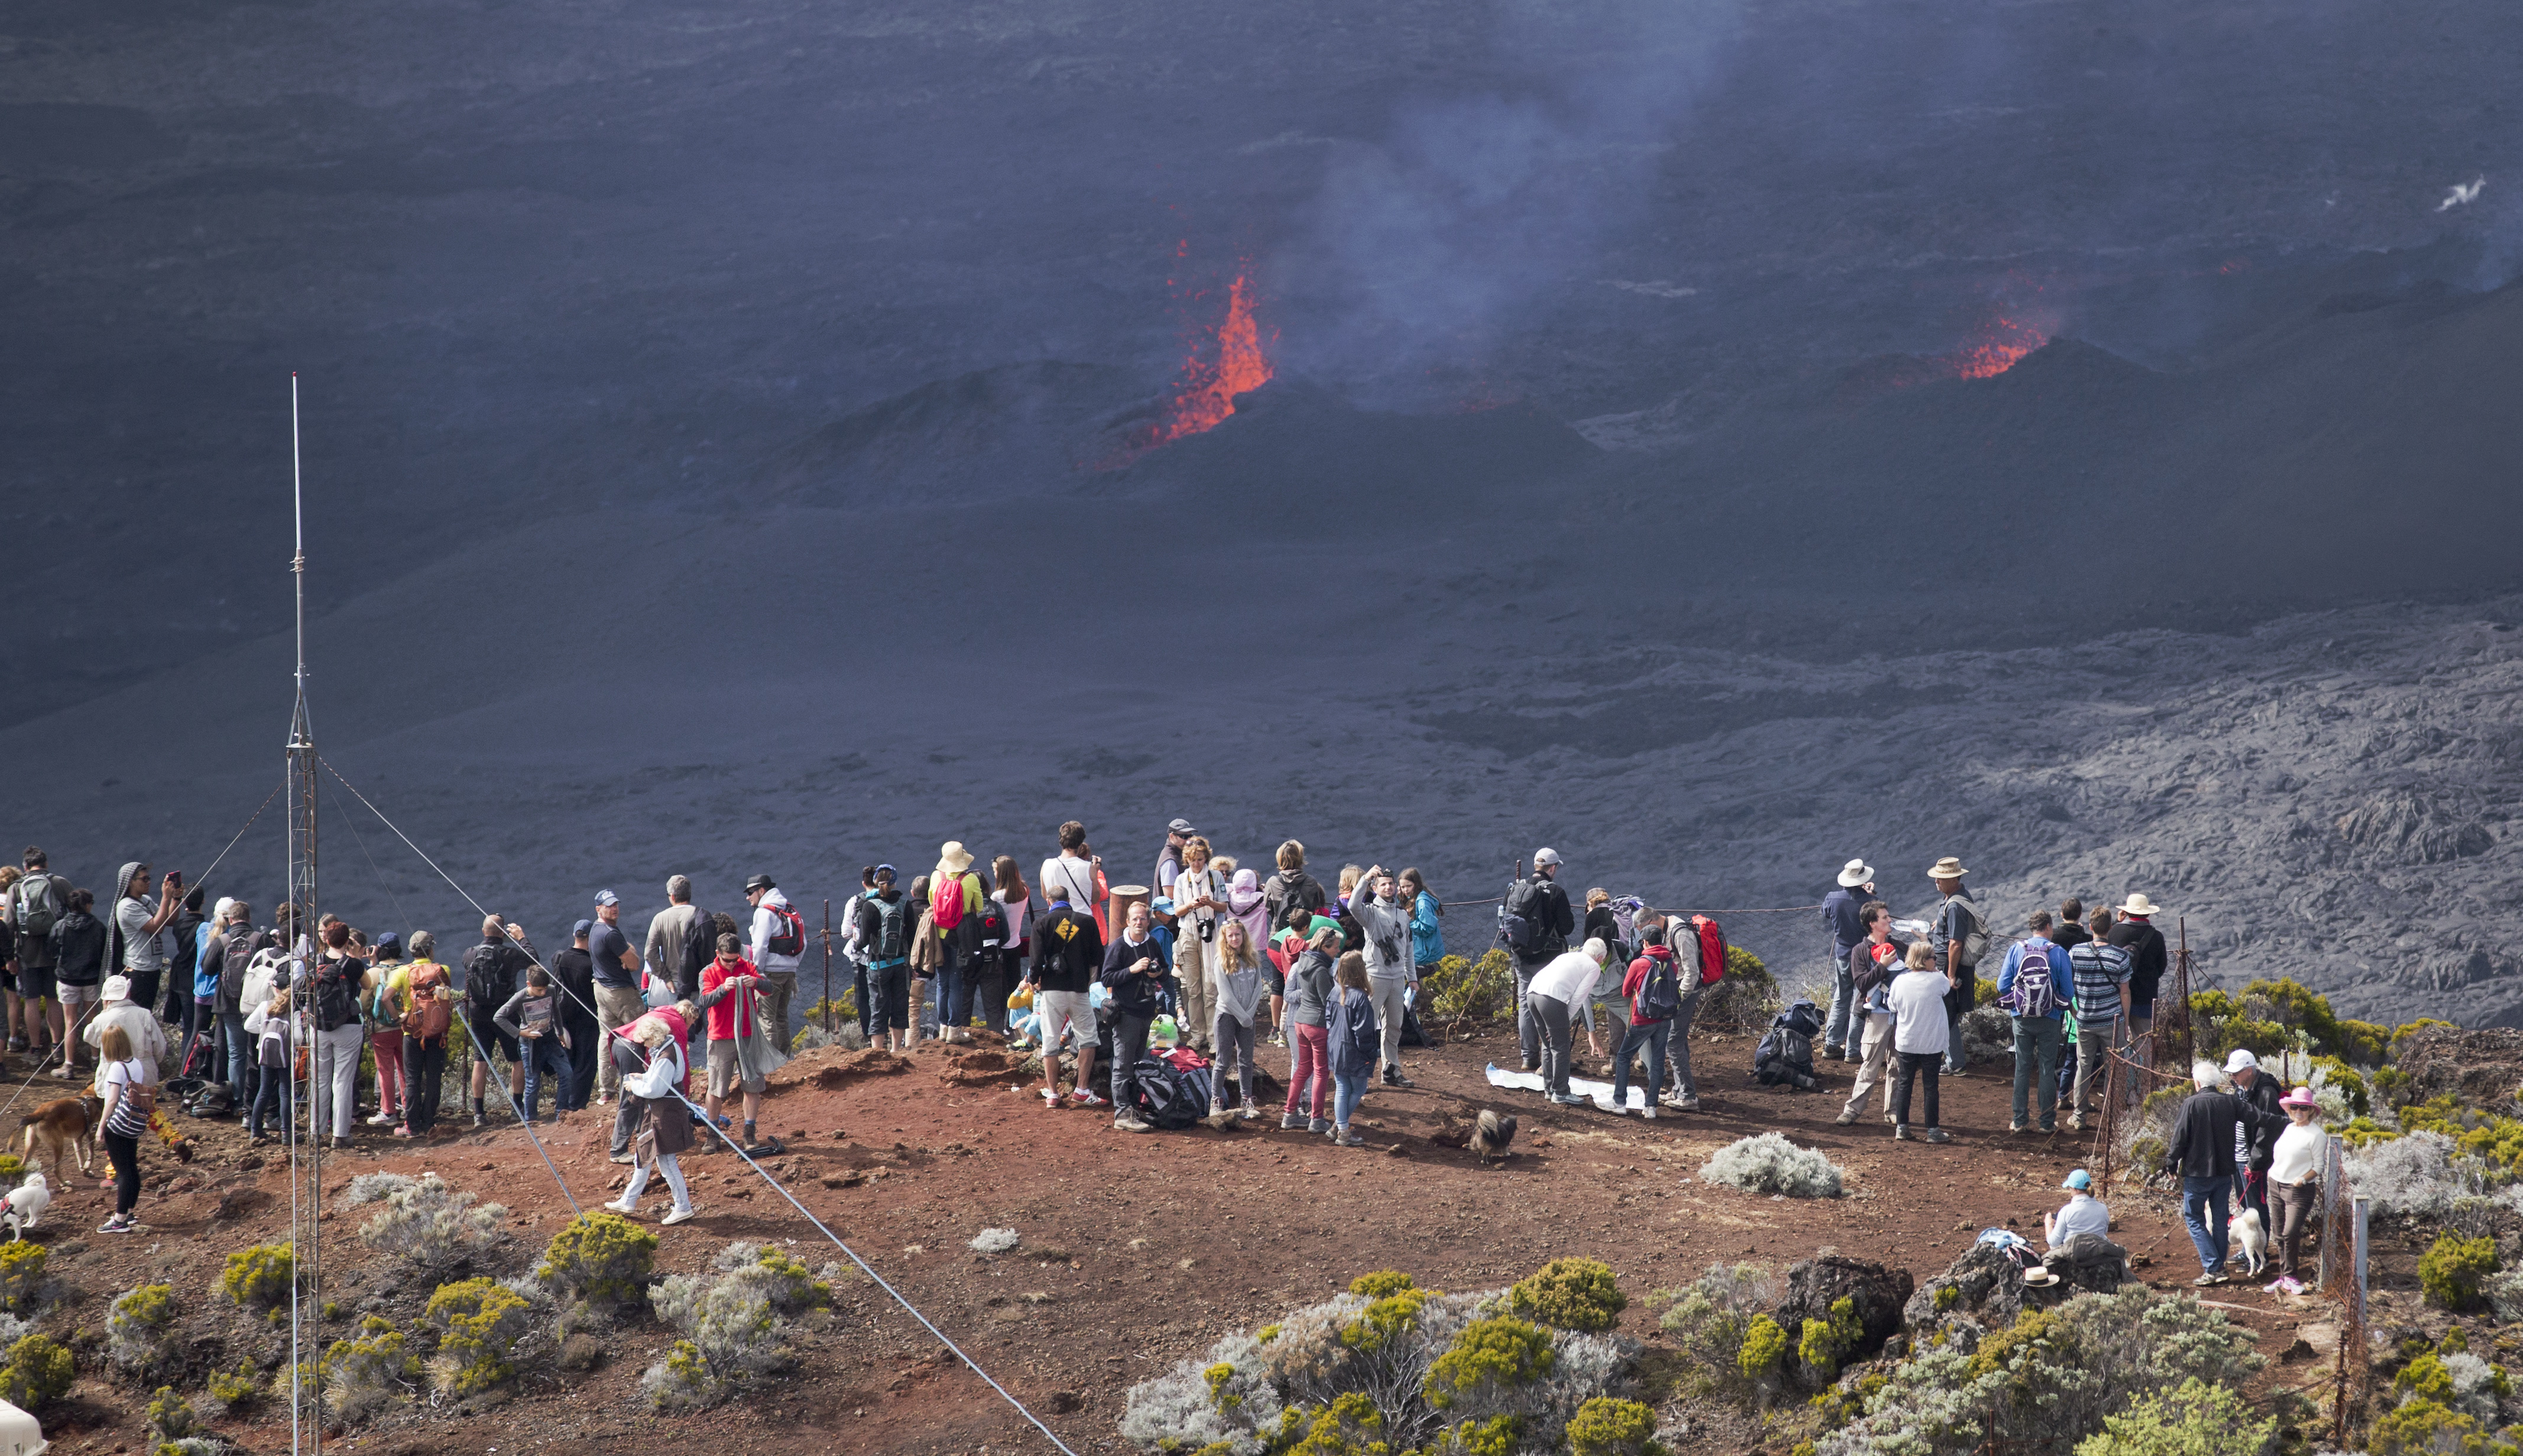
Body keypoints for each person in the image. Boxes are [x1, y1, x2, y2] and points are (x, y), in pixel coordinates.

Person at [2163, 1059, 2285, 1286]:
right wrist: (2288, 1120)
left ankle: (2214, 1267)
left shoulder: (2191, 1104)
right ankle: (2218, 1266)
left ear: (2197, 1083)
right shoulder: (2231, 1102)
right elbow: (2261, 1118)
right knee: (2220, 1220)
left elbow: (2179, 1138)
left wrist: (2171, 1164)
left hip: (2197, 1174)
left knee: (2194, 1219)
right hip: (2223, 1174)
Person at [604, 1016, 697, 1226]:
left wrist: (634, 1086)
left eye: (645, 1040)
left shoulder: (665, 1056)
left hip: (665, 1114)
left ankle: (683, 1207)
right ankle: (628, 1201)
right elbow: (661, 1079)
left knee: (666, 1162)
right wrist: (644, 1077)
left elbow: (656, 1090)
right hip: (662, 1112)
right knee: (644, 1155)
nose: (644, 1045)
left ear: (653, 1037)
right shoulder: (668, 1049)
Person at [697, 932, 785, 1151]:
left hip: (747, 1036)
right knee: (716, 1088)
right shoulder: (708, 972)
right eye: (727, 959)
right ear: (718, 954)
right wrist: (723, 989)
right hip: (721, 1037)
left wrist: (755, 981)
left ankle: (749, 1133)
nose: (732, 964)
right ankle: (712, 1135)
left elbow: (768, 988)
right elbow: (705, 1000)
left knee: (752, 1086)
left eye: (735, 959)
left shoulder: (746, 965)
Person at [1028, 880, 1104, 1108]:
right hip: (1079, 989)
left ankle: (1052, 1094)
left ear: (1048, 902)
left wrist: (1034, 982)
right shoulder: (1087, 922)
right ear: (1069, 901)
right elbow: (1097, 957)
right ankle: (1082, 1089)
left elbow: (1035, 961)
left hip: (1051, 990)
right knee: (1088, 1038)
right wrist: (1087, 978)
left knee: (1050, 1041)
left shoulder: (1041, 923)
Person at [1504, 849, 1576, 1074]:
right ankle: (1552, 1057)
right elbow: (1567, 927)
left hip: (1521, 957)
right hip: (1549, 959)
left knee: (1526, 1004)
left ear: (1536, 865)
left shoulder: (1515, 889)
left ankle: (1528, 1056)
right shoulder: (1555, 892)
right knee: (1551, 1004)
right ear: (1553, 868)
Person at [1996, 912, 2068, 1134]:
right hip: (2050, 1018)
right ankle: (2047, 1123)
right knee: (2047, 1068)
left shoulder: (2016, 950)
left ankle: (2019, 1121)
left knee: (2022, 1067)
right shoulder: (2058, 952)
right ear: (2048, 927)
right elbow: (2068, 991)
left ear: (2031, 928)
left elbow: (2002, 985)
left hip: (2021, 1017)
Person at [1835, 903, 1906, 1126]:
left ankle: (1893, 1111)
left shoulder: (1899, 947)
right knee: (1871, 1063)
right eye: (1885, 918)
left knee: (1898, 1064)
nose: (1890, 921)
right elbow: (1862, 983)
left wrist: (1923, 939)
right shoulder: (1860, 951)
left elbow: (1922, 964)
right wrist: (1883, 966)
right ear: (1873, 923)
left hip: (1900, 1013)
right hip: (1878, 1015)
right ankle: (1853, 1110)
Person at [1101, 901, 1169, 1133]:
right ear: (1127, 922)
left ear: (1148, 921)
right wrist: (1132, 970)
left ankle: (1133, 1105)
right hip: (1126, 1013)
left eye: (1143, 919)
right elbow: (1107, 979)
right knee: (1122, 1065)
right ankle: (1122, 1113)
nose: (1139, 923)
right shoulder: (1119, 946)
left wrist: (1158, 972)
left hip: (1147, 1013)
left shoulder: (1152, 943)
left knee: (1139, 1062)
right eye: (1135, 919)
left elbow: (1167, 971)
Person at [1347, 864, 1417, 1089]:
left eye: (1391, 883)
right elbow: (1352, 905)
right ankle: (1358, 1073)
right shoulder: (1370, 913)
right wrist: (1365, 879)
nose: (1388, 887)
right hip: (1375, 976)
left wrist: (1412, 977)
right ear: (1375, 889)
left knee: (1395, 1026)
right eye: (1383, 884)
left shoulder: (1403, 915)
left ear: (1396, 888)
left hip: (1397, 978)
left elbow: (1408, 949)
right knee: (1366, 1027)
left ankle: (1391, 1070)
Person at [303, 920, 369, 1148]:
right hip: (348, 1027)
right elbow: (368, 985)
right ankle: (340, 1135)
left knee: (319, 1080)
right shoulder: (352, 965)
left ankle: (315, 1131)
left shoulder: (314, 962)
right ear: (347, 941)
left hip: (318, 1026)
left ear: (326, 939)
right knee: (342, 1081)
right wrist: (354, 955)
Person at [462, 916, 531, 1128]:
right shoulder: (510, 953)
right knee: (517, 1060)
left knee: (480, 1061)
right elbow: (533, 960)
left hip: (478, 1013)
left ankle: (479, 1113)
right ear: (503, 933)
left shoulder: (470, 954)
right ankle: (516, 1108)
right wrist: (521, 938)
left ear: (484, 931)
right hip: (505, 1012)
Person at [2063, 909, 2130, 1131]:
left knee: (2083, 1068)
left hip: (2084, 1021)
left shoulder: (2075, 952)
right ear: (2110, 929)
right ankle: (2113, 1116)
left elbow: (2066, 984)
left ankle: (2079, 1117)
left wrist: (2074, 1011)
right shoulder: (2120, 957)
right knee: (2114, 1068)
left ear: (2090, 927)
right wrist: (2126, 1021)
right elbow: (2125, 992)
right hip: (2112, 1022)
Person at [1526, 937, 1607, 1106]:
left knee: (1548, 1043)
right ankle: (1561, 1092)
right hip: (1551, 999)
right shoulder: (1593, 967)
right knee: (1561, 1046)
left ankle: (1549, 1090)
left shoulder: (1567, 956)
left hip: (1532, 994)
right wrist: (1566, 1020)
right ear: (1600, 958)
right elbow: (1579, 998)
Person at [1887, 941, 1955, 1143]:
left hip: (1907, 1041)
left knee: (1905, 1083)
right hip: (1931, 1042)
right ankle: (1933, 1131)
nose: (1936, 961)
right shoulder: (1937, 980)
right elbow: (1947, 988)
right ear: (1925, 961)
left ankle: (1902, 1127)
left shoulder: (1900, 981)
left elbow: (1892, 1005)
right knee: (1931, 1086)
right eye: (1933, 958)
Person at [1611, 923, 1679, 1119]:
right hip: (1665, 1018)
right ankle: (1651, 1108)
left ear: (1645, 942)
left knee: (1624, 1057)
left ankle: (1619, 1102)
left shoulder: (1639, 963)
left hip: (1642, 1019)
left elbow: (1625, 991)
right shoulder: (1671, 964)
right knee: (1657, 1061)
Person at [1925, 857, 1984, 1076]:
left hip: (1949, 965)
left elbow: (1955, 943)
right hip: (1950, 963)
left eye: (1941, 878)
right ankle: (1953, 1059)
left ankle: (1955, 1063)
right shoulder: (1956, 900)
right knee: (1947, 1013)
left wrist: (1949, 975)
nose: (1937, 882)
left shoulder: (1955, 906)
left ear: (1953, 879)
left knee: (1946, 1013)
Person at [7, 849, 68, 1058]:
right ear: (46, 864)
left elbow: (8, 924)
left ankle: (34, 1050)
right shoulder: (59, 883)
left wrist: (9, 957)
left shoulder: (16, 888)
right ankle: (57, 1047)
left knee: (31, 1001)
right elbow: (79, 909)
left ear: (25, 867)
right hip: (55, 953)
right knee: (54, 999)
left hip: (27, 954)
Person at [495, 963, 572, 1126]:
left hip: (550, 1039)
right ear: (529, 984)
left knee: (567, 1073)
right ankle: (531, 1120)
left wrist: (560, 1032)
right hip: (530, 1043)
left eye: (544, 989)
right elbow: (499, 1017)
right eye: (539, 990)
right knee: (532, 1082)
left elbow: (555, 1011)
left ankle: (561, 1113)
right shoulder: (520, 997)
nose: (543, 992)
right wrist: (520, 1033)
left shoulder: (551, 990)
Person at [2265, 1086, 2326, 1295]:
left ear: (2311, 1110)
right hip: (2276, 1184)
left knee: (2290, 1233)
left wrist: (2302, 1179)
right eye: (2294, 1106)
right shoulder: (2290, 1128)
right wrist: (2271, 1174)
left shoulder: (2317, 1135)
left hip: (2298, 1190)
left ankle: (2291, 1277)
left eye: (2303, 1107)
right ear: (2289, 1108)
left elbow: (2318, 1167)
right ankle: (2284, 1277)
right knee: (2279, 1234)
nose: (2298, 1111)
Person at [108, 862, 182, 1029]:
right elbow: (156, 927)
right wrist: (165, 898)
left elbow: (168, 920)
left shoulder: (145, 901)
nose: (148, 882)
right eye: (144, 879)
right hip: (138, 971)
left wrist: (175, 899)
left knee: (145, 1016)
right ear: (131, 882)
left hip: (151, 969)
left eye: (149, 878)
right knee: (137, 1019)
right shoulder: (127, 906)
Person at [1279, 923, 1339, 1132]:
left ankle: (1289, 1114)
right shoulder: (1322, 970)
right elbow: (1328, 1001)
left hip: (1300, 1023)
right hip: (1317, 1025)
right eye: (1335, 948)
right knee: (1321, 1072)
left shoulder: (1304, 962)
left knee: (1303, 1068)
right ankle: (1317, 1119)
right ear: (1324, 947)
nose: (1338, 951)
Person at [95, 1023, 153, 1234]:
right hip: (133, 1123)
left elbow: (111, 1101)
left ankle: (119, 1220)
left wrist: (101, 1126)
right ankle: (129, 1212)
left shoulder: (116, 1068)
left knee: (122, 1173)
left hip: (118, 1125)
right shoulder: (135, 1063)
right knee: (131, 1168)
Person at [1169, 837, 1225, 1056]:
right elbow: (1177, 911)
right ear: (1187, 860)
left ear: (1206, 858)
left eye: (1200, 860)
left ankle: (1213, 1036)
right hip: (1189, 935)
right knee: (1193, 990)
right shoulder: (1182, 880)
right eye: (1193, 861)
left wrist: (1209, 903)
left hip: (1210, 933)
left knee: (1211, 988)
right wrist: (1191, 905)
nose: (1197, 864)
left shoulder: (1216, 877)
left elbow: (1224, 906)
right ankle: (1197, 1034)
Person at [398, 931, 455, 1139]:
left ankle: (412, 1126)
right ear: (430, 950)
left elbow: (386, 997)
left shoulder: (402, 972)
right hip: (438, 1033)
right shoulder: (443, 969)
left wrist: (399, 1018)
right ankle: (429, 1121)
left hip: (411, 1032)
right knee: (433, 1079)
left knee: (412, 1080)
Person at [588, 891, 644, 1104]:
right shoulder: (611, 934)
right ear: (598, 909)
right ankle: (639, 1083)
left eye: (616, 904)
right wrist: (628, 953)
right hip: (620, 992)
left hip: (601, 988)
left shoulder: (596, 929)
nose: (615, 909)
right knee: (640, 1034)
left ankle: (606, 1090)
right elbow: (634, 964)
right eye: (609, 906)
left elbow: (627, 952)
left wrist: (626, 951)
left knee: (607, 1038)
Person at [1207, 917, 1266, 1121]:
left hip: (1248, 1018)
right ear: (1224, 938)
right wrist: (1243, 1017)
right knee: (1222, 1061)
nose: (1235, 938)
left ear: (1243, 935)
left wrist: (1249, 1015)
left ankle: (1246, 1100)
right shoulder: (1220, 961)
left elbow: (1259, 987)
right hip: (1227, 1016)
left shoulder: (1252, 957)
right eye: (1230, 935)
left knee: (1246, 1061)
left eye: (1238, 934)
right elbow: (1226, 995)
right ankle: (1215, 1101)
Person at [210, 902, 265, 1112]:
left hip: (228, 1003)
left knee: (236, 1053)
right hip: (254, 1004)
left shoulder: (222, 941)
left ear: (230, 920)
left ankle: (236, 1101)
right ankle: (257, 1099)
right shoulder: (259, 940)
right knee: (256, 1052)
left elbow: (206, 968)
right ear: (249, 919)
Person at [48, 888, 108, 1075]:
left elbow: (52, 950)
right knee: (93, 1021)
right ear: (88, 905)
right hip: (91, 978)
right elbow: (104, 952)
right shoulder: (98, 927)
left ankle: (69, 1064)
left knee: (70, 1021)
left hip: (67, 978)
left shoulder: (60, 926)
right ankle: (96, 1060)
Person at [854, 866, 914, 1052]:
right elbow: (912, 937)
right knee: (900, 1008)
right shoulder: (905, 904)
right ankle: (896, 1051)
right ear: (895, 882)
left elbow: (864, 939)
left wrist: (855, 947)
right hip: (901, 965)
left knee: (878, 1009)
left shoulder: (869, 906)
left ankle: (878, 1053)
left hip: (878, 965)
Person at [81, 975, 168, 1102]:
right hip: (143, 1073)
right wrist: (152, 1064)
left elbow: (90, 1038)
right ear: (128, 994)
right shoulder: (144, 1014)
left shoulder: (101, 1019)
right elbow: (160, 1047)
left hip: (113, 1074)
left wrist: (105, 1012)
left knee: (115, 1111)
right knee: (143, 1113)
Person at [1821, 860, 1875, 1063]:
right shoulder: (1869, 904)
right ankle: (1853, 1051)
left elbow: (1826, 913)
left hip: (1842, 956)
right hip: (1864, 958)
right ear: (1863, 880)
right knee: (1859, 1001)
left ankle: (1831, 1044)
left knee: (1841, 998)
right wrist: (1869, 896)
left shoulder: (1833, 898)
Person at [743, 874, 803, 1053]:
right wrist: (793, 965)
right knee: (781, 1017)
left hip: (770, 973)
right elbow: (804, 943)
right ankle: (784, 1058)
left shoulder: (764, 912)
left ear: (761, 891)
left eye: (750, 892)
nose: (748, 897)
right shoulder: (789, 909)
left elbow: (760, 945)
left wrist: (757, 971)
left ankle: (769, 1065)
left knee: (766, 1018)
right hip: (789, 972)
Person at [1325, 952, 1379, 1147]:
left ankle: (1339, 1127)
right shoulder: (1361, 998)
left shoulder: (1334, 992)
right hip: (1355, 1052)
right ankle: (1343, 1131)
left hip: (1335, 1048)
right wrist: (1371, 1053)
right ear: (1360, 971)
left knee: (1342, 1087)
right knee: (1359, 1088)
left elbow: (1328, 1021)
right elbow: (1363, 1032)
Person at [2108, 895, 2170, 1058]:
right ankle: (2144, 1080)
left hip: (2117, 997)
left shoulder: (2115, 932)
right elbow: (2162, 967)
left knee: (2117, 1044)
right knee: (2144, 1044)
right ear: (2148, 914)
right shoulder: (2156, 937)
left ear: (2127, 913)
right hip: (2145, 997)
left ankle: (2121, 1080)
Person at [2226, 1048, 2282, 1225]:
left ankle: (2257, 1250)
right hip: (2240, 1157)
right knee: (2246, 1204)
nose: (2232, 1077)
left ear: (2249, 1070)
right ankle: (2250, 1247)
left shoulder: (2266, 1092)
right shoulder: (2242, 1089)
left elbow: (2268, 1131)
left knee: (2256, 1207)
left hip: (2252, 1160)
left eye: (2236, 1073)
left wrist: (2255, 1162)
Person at [550, 922, 599, 1113]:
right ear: (590, 937)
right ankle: (577, 1106)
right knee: (586, 1065)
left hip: (565, 1018)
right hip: (587, 1019)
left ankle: (562, 1104)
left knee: (568, 1063)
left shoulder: (561, 958)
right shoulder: (591, 964)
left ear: (574, 935)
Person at [362, 932, 409, 1128]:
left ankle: (388, 1112)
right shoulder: (408, 970)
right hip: (405, 1027)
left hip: (381, 1029)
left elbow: (364, 1004)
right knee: (405, 1069)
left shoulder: (373, 973)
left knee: (385, 1070)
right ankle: (409, 1107)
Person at [243, 977, 294, 1145]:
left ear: (275, 988)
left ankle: (255, 1130)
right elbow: (300, 1036)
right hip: (285, 1055)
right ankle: (287, 1133)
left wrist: (263, 1030)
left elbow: (248, 1026)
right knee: (285, 1091)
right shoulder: (293, 1009)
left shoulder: (266, 1006)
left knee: (264, 1090)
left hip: (265, 1054)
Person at [990, 855, 1035, 1037]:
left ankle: (1003, 1027)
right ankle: (1016, 1023)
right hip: (1015, 944)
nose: (993, 873)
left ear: (1001, 873)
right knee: (1015, 986)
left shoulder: (997, 897)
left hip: (1000, 947)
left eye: (995, 870)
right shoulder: (1024, 890)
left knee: (999, 989)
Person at [1039, 822, 1107, 940]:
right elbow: (1095, 898)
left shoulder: (1047, 865)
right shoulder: (1089, 868)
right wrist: (1096, 873)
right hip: (1083, 924)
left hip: (1057, 924)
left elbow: (1045, 895)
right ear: (1081, 843)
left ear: (1061, 841)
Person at [1578, 888, 1623, 1059]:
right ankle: (1617, 1060)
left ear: (1590, 903)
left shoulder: (1593, 916)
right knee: (1618, 1015)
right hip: (1618, 966)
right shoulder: (1617, 912)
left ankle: (1552, 1059)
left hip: (1596, 965)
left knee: (1579, 1001)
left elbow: (1587, 944)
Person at [1264, 841, 1327, 937]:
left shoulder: (1273, 882)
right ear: (1300, 858)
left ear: (1280, 858)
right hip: (1305, 934)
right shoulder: (1311, 882)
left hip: (1279, 935)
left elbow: (1269, 908)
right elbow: (1315, 906)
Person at [2044, 1169, 2110, 1250]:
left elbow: (2054, 1242)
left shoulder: (2066, 1211)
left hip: (2073, 1255)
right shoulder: (2103, 1209)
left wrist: (2048, 1224)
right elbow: (2104, 1231)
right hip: (2097, 1253)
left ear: (2074, 1190)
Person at [1402, 868, 1444, 978]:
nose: (1405, 890)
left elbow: (1428, 927)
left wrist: (1407, 923)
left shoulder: (1422, 902)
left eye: (1409, 886)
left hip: (1426, 954)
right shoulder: (1413, 898)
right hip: (1423, 951)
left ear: (1416, 884)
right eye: (1403, 887)